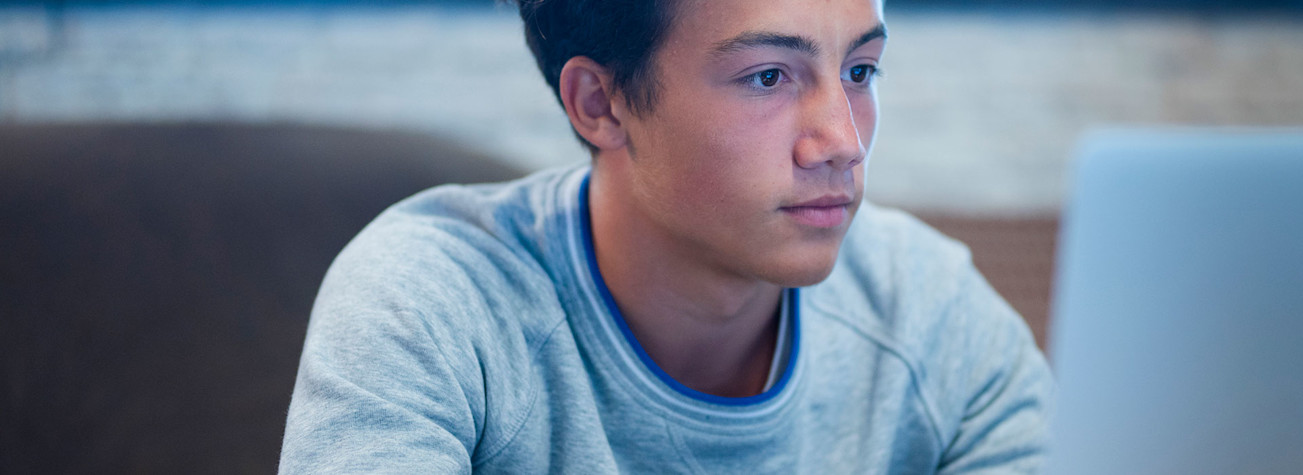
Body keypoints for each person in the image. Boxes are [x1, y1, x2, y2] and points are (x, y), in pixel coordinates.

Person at [278, 0, 1053, 472]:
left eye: (859, 71)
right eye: (767, 77)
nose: (843, 141)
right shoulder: (427, 302)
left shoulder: (932, 314)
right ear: (599, 103)